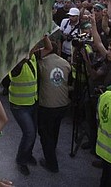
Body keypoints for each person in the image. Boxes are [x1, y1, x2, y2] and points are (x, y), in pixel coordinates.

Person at [36, 35, 70, 173]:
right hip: (63, 104)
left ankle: (51, 163)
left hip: (47, 106)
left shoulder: (41, 63)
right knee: (55, 129)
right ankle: (53, 149)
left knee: (45, 133)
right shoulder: (65, 63)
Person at [8, 44, 39, 176]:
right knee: (29, 133)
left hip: (32, 101)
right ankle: (21, 160)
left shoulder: (32, 58)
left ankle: (28, 154)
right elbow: (23, 60)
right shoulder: (15, 64)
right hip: (19, 105)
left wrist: (43, 37)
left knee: (33, 132)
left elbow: (48, 49)